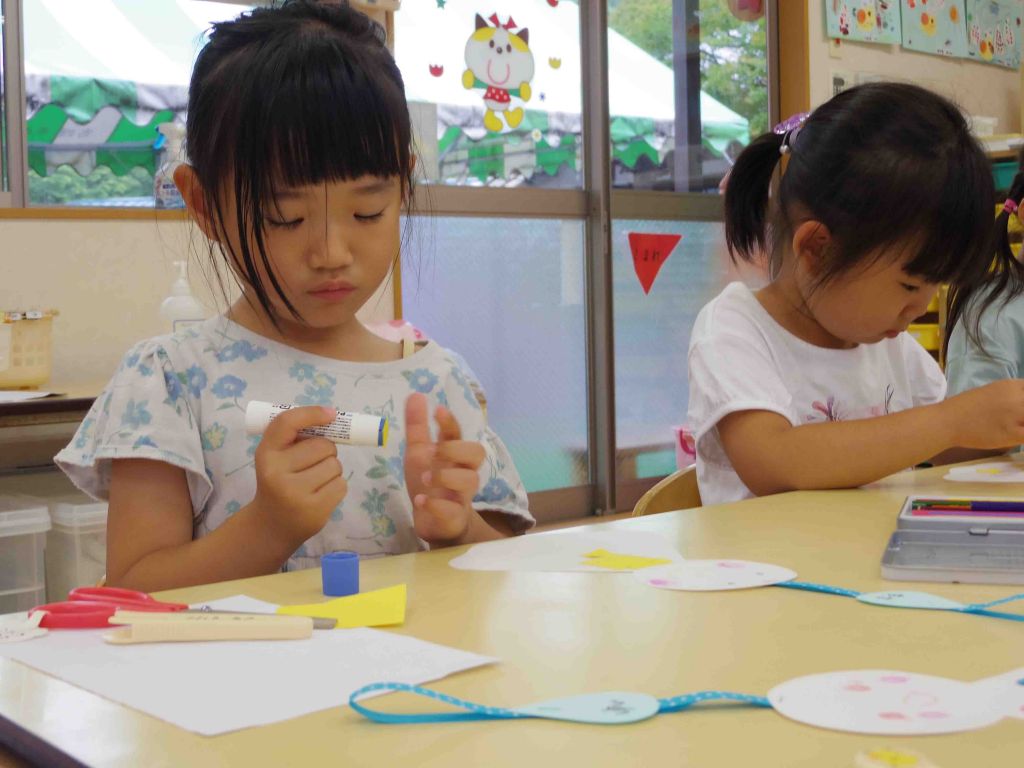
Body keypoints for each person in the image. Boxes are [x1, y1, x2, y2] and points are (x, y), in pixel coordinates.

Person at [56, 0, 532, 591]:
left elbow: (507, 575)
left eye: (367, 211)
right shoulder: (171, 382)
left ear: (402, 188)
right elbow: (132, 589)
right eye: (284, 217)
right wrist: (266, 529)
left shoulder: (439, 385)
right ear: (203, 203)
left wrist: (459, 530)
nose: (331, 251)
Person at [686, 83, 1024, 505]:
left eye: (935, 286)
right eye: (909, 285)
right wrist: (952, 420)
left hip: (869, 546)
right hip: (767, 550)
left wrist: (994, 425)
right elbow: (774, 463)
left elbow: (939, 447)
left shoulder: (888, 345)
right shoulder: (734, 330)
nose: (921, 306)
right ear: (817, 249)